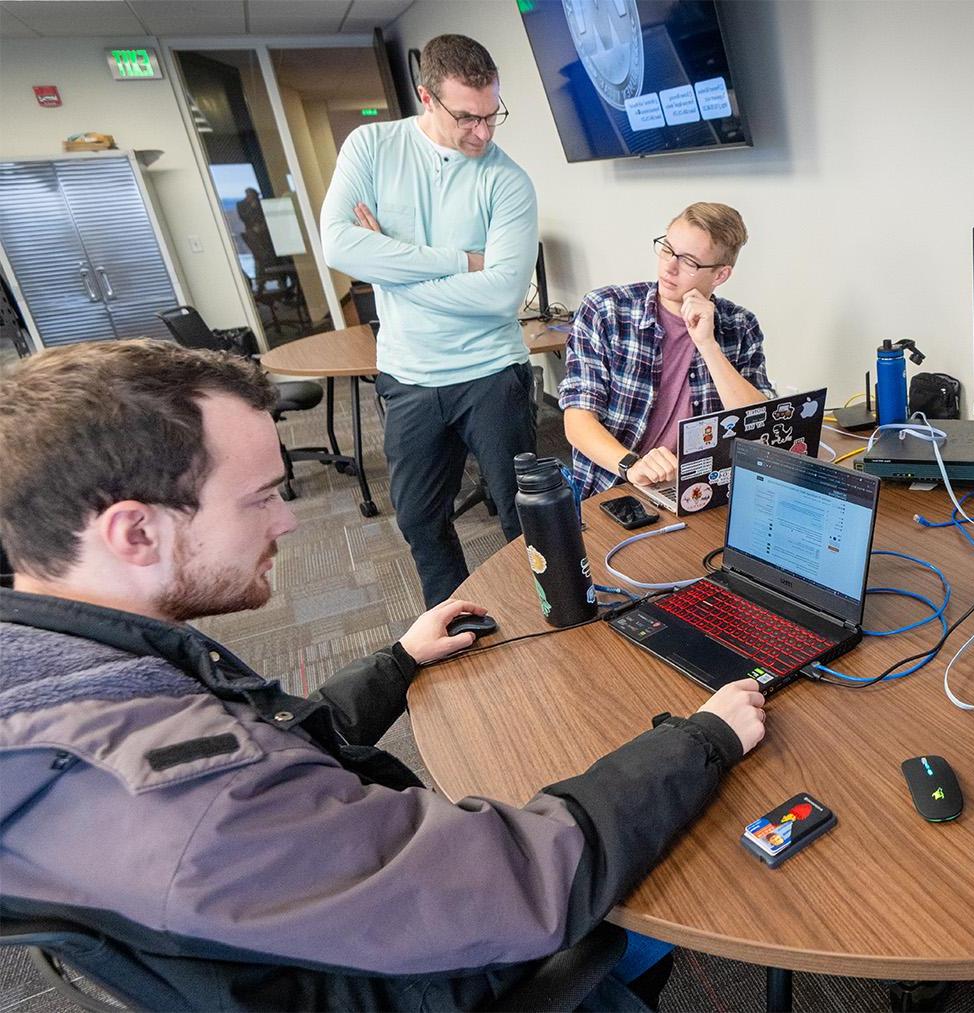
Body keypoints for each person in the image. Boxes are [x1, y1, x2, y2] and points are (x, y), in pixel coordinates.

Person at [0, 339, 768, 1010]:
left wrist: (397, 663)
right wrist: (700, 738)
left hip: (330, 938)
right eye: (261, 497)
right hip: (445, 970)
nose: (289, 519)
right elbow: (523, 879)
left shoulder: (62, 678)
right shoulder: (189, 815)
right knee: (695, 877)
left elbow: (256, 747)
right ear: (135, 531)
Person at [320, 33, 539, 607]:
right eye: (468, 117)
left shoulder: (507, 180)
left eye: (493, 115)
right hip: (410, 375)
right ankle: (456, 624)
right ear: (426, 96)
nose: (484, 133)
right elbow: (340, 246)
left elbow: (500, 297)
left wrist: (389, 263)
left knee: (526, 519)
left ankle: (552, 614)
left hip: (493, 373)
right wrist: (459, 262)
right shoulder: (371, 146)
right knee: (419, 519)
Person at [560, 202, 771, 498]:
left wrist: (708, 346)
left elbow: (759, 426)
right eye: (667, 249)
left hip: (700, 490)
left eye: (688, 262)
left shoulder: (740, 325)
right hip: (615, 484)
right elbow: (577, 420)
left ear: (720, 275)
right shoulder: (606, 310)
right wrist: (632, 466)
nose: (669, 267)